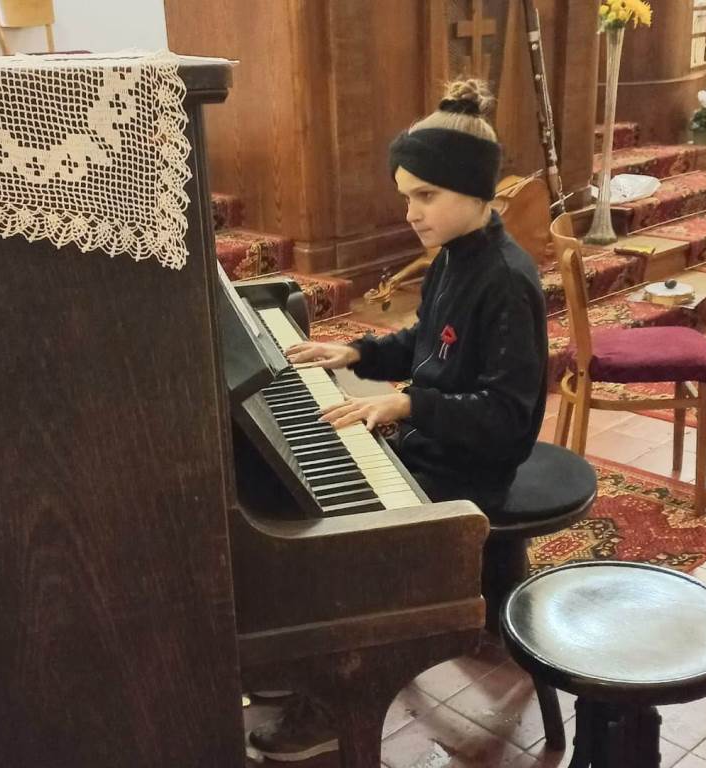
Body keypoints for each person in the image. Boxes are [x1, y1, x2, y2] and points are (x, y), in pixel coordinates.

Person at [247, 77, 549, 762]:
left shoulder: (506, 280)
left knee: (341, 534)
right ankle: (314, 659)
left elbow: (507, 418)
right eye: (406, 196)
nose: (411, 213)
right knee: (306, 487)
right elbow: (425, 341)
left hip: (471, 465)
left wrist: (409, 403)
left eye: (425, 195)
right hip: (431, 440)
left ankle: (336, 700)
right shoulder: (454, 258)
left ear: (473, 189)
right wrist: (357, 351)